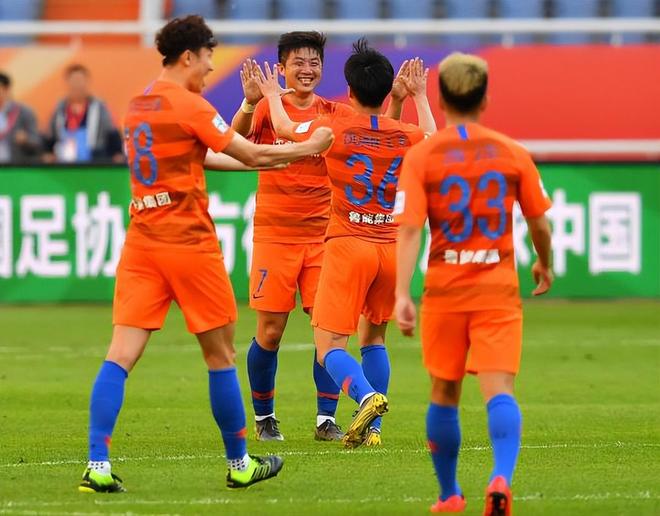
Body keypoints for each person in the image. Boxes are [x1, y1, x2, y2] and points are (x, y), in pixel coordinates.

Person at [78, 15, 333, 494]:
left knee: (120, 355)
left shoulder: (137, 105)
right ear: (188, 56)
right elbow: (250, 153)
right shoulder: (190, 105)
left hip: (142, 242)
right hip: (189, 243)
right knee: (220, 356)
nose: (211, 68)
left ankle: (97, 464)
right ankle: (239, 462)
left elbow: (209, 157)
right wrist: (307, 148)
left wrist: (271, 158)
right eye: (208, 58)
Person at [394, 52, 553, 514]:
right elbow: (539, 222)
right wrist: (543, 263)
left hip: (445, 289)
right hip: (496, 288)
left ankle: (449, 495)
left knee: (444, 392)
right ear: (485, 100)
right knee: (499, 390)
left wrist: (402, 293)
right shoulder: (511, 152)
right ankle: (500, 477)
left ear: (441, 101)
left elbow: (410, 228)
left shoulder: (422, 155)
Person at [230, 31, 410, 442]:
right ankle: (265, 416)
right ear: (281, 68)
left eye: (314, 62)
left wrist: (396, 101)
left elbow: (379, 133)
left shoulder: (334, 114)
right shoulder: (266, 108)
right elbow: (235, 140)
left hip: (325, 237)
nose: (307, 69)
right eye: (299, 62)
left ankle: (325, 419)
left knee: (327, 330)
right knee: (270, 331)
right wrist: (250, 102)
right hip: (275, 234)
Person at [43, 64, 123, 164]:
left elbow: (112, 133)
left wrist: (117, 153)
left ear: (86, 82)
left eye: (80, 80)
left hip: (94, 163)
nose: (77, 85)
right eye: (73, 81)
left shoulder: (100, 108)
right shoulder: (59, 110)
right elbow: (50, 136)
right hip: (64, 165)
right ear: (67, 83)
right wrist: (48, 153)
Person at [0, 72, 41, 164]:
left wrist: (26, 140)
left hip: (16, 167)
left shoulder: (24, 112)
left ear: (7, 89)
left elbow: (37, 142)